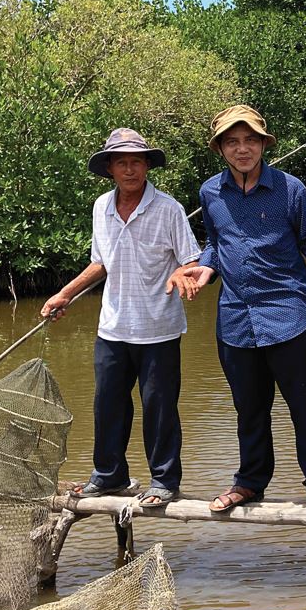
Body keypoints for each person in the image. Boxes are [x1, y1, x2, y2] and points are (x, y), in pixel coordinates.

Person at [174, 105, 306, 515]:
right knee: (249, 410)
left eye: (250, 140)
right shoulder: (210, 193)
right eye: (232, 142)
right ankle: (250, 481)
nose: (242, 149)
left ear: (264, 144)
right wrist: (205, 270)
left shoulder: (290, 189)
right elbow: (215, 243)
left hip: (289, 314)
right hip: (235, 318)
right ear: (220, 149)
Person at [41, 128, 201, 507]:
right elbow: (102, 262)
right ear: (110, 168)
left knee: (159, 407)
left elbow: (191, 261)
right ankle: (110, 475)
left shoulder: (169, 209)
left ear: (147, 166)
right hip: (113, 327)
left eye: (136, 162)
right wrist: (65, 294)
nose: (130, 169)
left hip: (159, 328)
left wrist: (183, 273)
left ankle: (164, 480)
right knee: (108, 404)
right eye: (122, 162)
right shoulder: (101, 207)